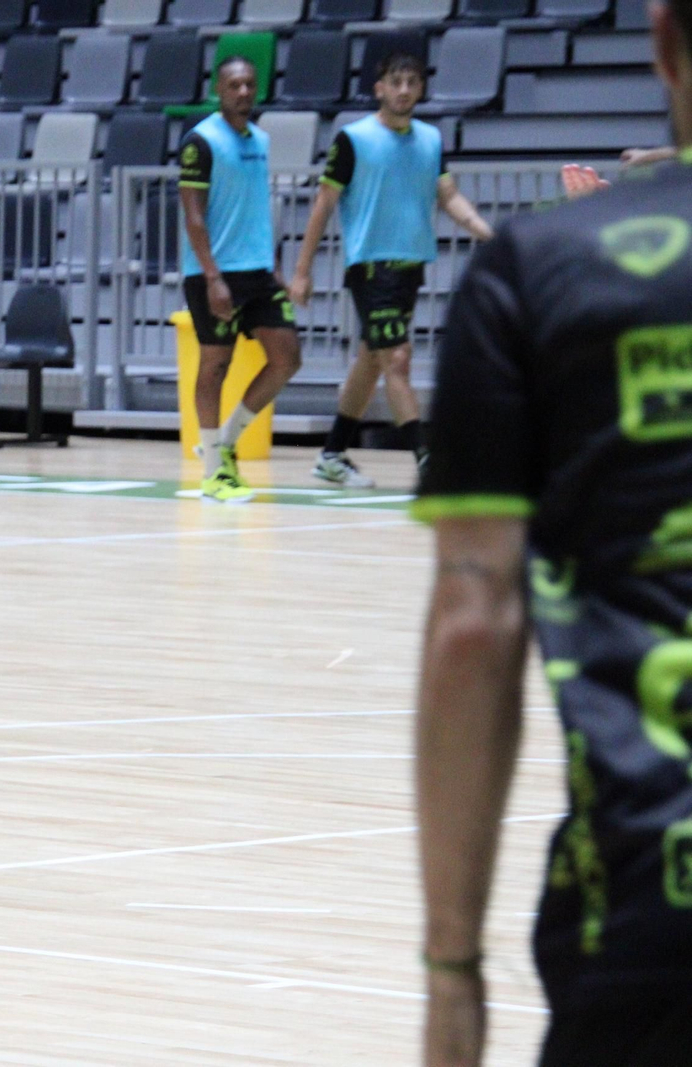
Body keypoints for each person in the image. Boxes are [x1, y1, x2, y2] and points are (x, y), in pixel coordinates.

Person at [414, 0, 692, 1061]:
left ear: (661, 42)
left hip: (644, 902)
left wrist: (451, 971)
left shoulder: (538, 269)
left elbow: (473, 627)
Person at [289, 53, 492, 488]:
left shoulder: (431, 140)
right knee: (397, 359)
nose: (404, 90)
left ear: (421, 89)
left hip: (410, 268)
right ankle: (427, 462)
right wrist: (302, 271)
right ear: (379, 88)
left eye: (412, 82)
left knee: (372, 360)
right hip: (370, 268)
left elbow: (449, 196)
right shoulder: (353, 139)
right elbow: (324, 203)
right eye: (395, 82)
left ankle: (331, 455)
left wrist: (484, 231)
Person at [177, 56, 301, 504]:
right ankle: (214, 472)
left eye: (250, 84)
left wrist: (275, 266)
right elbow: (193, 215)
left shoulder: (261, 140)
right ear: (218, 88)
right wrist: (213, 277)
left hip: (258, 272)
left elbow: (255, 208)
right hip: (214, 273)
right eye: (235, 85)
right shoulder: (200, 141)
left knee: (287, 357)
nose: (244, 92)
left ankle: (226, 442)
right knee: (215, 365)